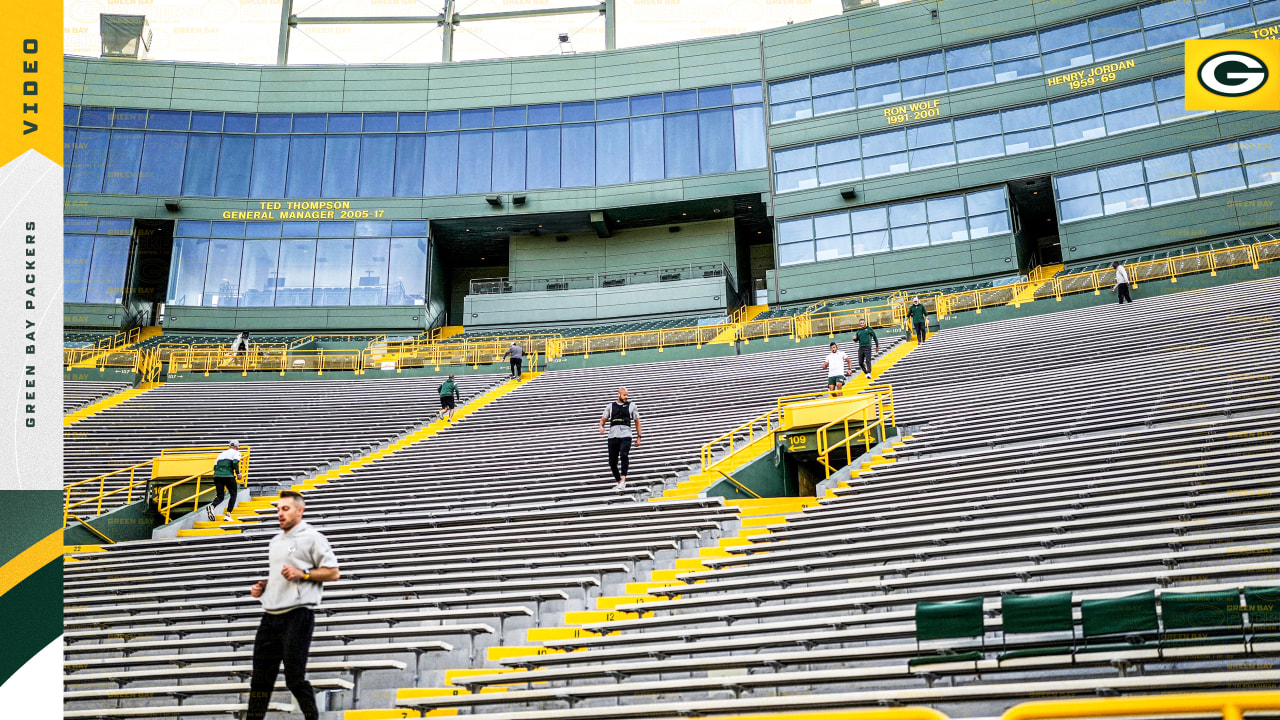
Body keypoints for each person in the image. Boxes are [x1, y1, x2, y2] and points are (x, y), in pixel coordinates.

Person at [246, 491, 339, 720]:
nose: (279, 513)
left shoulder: (313, 537)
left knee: (294, 679)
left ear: (300, 510)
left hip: (297, 615)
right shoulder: (275, 541)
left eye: (285, 509)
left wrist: (303, 573)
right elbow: (282, 576)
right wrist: (263, 587)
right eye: (278, 509)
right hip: (270, 616)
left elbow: (333, 572)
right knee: (260, 681)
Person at [598, 387, 642, 491]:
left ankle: (623, 480)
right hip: (613, 436)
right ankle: (619, 482)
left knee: (624, 455)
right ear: (619, 394)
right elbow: (603, 420)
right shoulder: (610, 406)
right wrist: (601, 427)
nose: (626, 397)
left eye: (627, 395)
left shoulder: (632, 406)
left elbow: (637, 421)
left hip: (626, 435)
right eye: (624, 395)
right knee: (612, 461)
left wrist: (639, 437)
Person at [207, 440, 242, 523]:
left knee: (220, 496)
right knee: (233, 494)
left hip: (217, 476)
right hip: (228, 475)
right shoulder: (236, 453)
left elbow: (215, 467)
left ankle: (212, 507)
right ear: (237, 447)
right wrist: (238, 473)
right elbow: (235, 462)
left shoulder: (221, 454)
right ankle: (228, 514)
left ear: (229, 446)